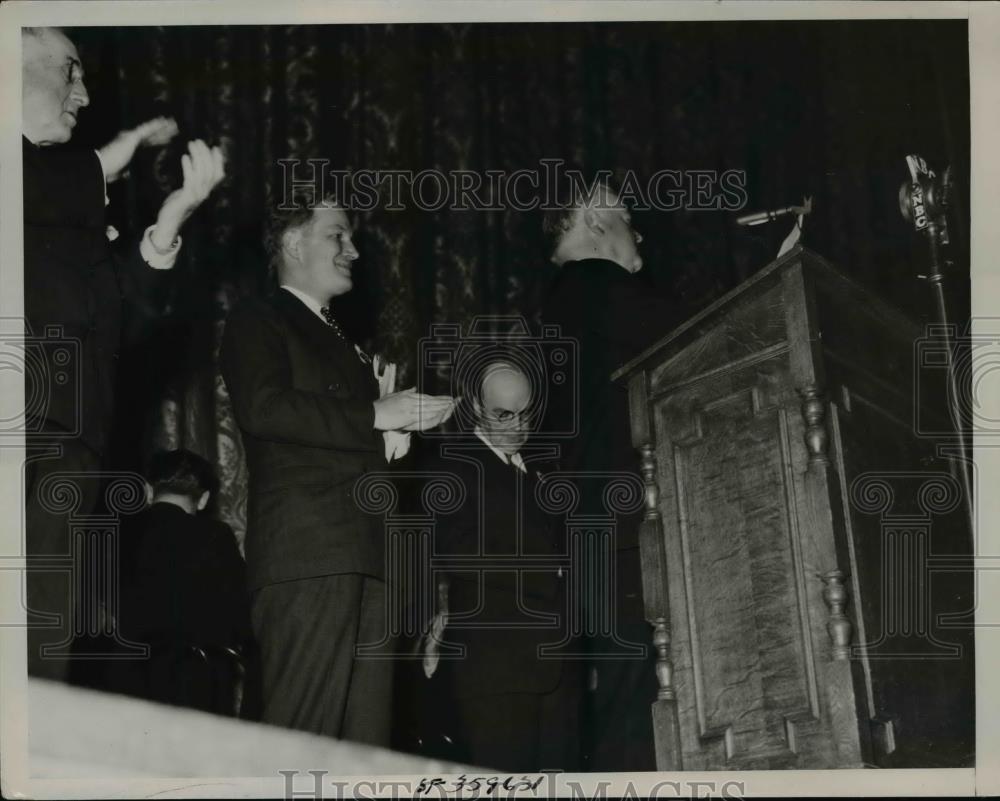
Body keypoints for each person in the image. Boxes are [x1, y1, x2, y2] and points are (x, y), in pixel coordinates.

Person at [21, 26, 226, 681]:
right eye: (68, 72)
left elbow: (119, 313)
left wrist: (172, 219)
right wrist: (126, 149)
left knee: (40, 643)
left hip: (67, 440)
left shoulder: (60, 199)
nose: (82, 94)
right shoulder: (44, 180)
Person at [219, 190, 456, 744]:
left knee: (361, 753)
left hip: (367, 559)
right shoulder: (259, 318)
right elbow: (265, 407)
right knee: (304, 744)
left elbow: (343, 439)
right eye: (337, 235)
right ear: (292, 243)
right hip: (310, 557)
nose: (352, 249)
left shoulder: (345, 343)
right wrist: (376, 412)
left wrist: (394, 435)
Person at [539, 177, 678, 771]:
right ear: (595, 219)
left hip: (599, 531)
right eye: (625, 213)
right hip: (621, 529)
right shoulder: (592, 284)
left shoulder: (566, 298)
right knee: (638, 701)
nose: (637, 228)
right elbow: (688, 332)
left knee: (633, 694)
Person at [419, 359, 583, 773]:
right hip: (496, 673)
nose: (518, 425)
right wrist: (549, 571)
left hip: (556, 671)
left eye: (526, 413)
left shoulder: (542, 467)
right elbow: (457, 552)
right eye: (504, 415)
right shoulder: (455, 465)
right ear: (476, 408)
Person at [113, 449, 253, 716]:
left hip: (126, 680)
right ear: (203, 500)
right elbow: (242, 614)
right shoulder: (216, 536)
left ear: (147, 490)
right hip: (197, 685)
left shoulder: (121, 531)